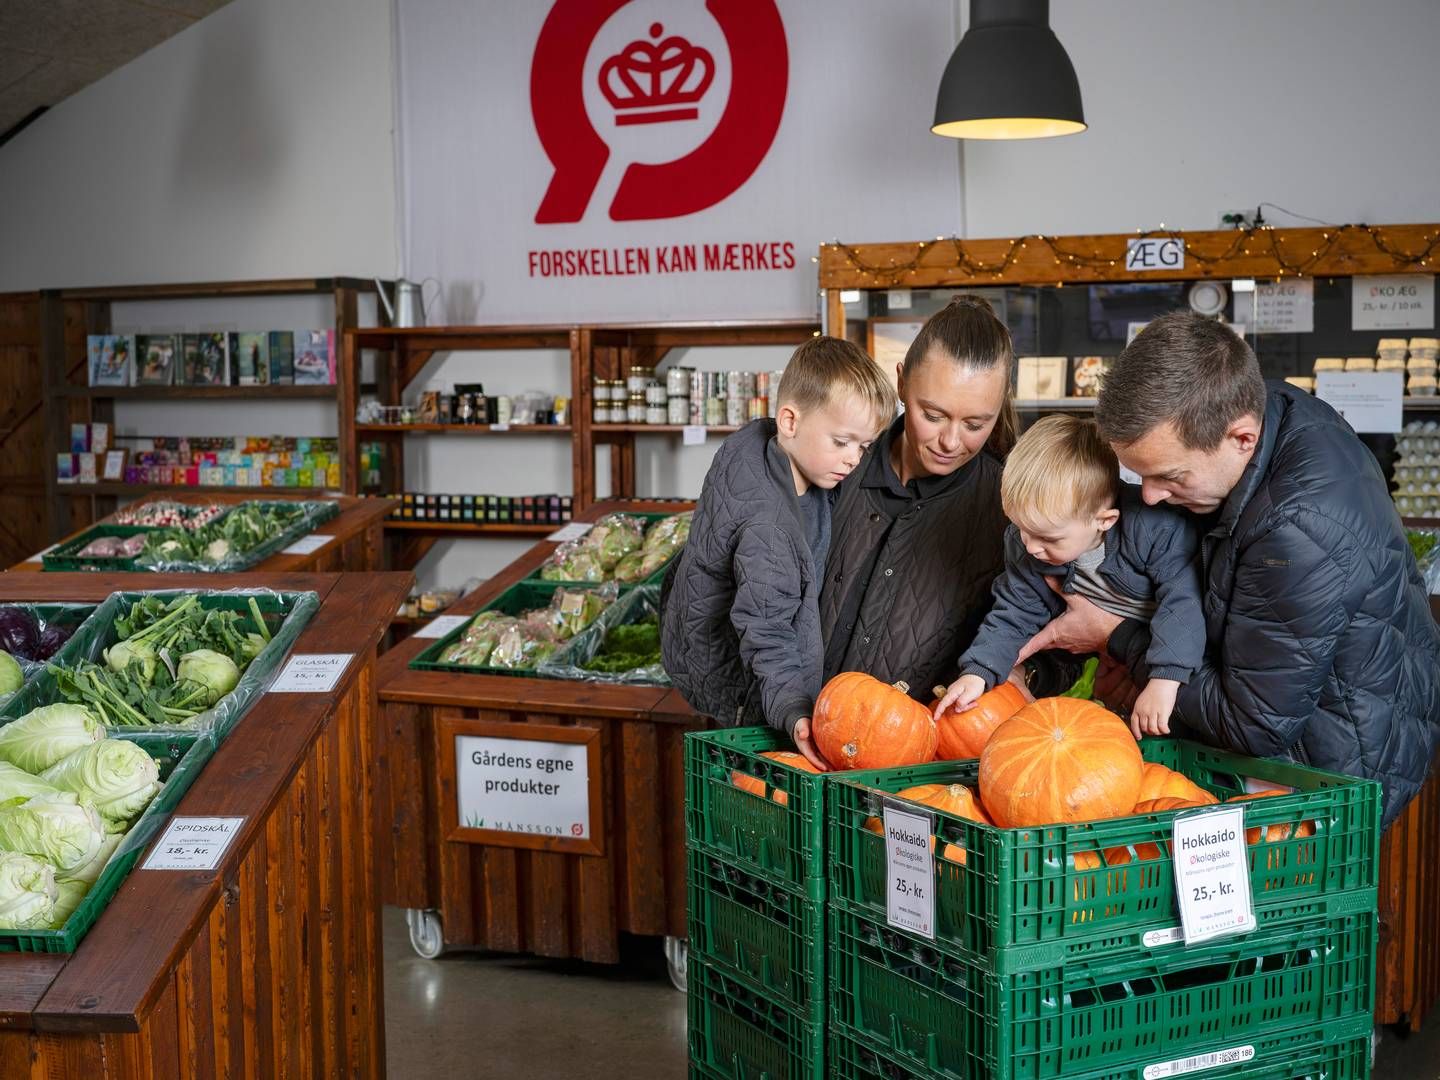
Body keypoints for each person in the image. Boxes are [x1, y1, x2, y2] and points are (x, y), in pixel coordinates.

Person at [1020, 311, 1440, 828]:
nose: (1150, 497)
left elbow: (1254, 723)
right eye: (1141, 475)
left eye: (1170, 476)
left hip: (1320, 779)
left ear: (1240, 437)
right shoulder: (1265, 410)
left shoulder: (1297, 526)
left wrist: (1116, 637)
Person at [819, 295, 1077, 744]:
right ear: (901, 383)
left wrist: (1023, 672)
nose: (950, 441)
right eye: (932, 415)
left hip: (920, 771)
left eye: (976, 424)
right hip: (789, 744)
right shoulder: (835, 465)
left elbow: (1062, 640)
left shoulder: (1012, 509)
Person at [660, 336, 897, 765]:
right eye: (841, 442)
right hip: (741, 685)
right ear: (789, 420)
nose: (853, 460)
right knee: (751, 796)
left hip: (712, 656)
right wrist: (792, 708)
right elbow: (766, 627)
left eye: (863, 446)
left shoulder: (773, 449)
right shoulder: (769, 527)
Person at [934, 415, 1203, 740]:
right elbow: (1014, 612)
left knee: (1169, 724)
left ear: (1104, 521)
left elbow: (1183, 604)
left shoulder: (1155, 530)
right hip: (1107, 664)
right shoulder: (1029, 543)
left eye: (1048, 538)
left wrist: (1164, 678)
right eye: (1021, 529)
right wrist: (978, 672)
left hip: (1173, 654)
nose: (1031, 547)